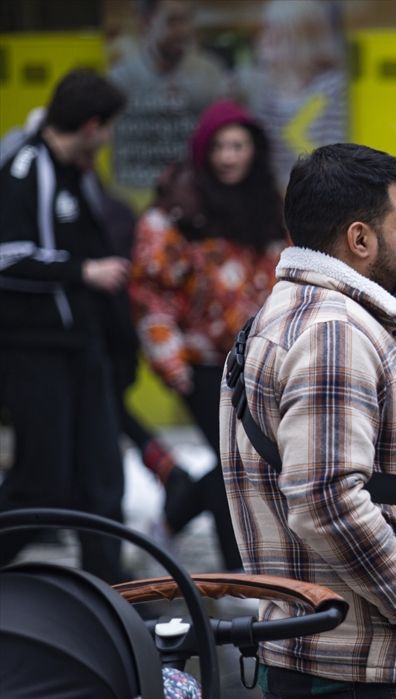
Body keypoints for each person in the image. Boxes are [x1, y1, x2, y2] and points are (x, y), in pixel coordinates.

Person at [219, 142, 396, 699]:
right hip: (365, 671)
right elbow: (325, 497)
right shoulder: (334, 331)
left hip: (329, 664)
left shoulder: (287, 315)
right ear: (359, 238)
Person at [130, 100, 285, 570]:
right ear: (202, 150)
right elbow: (149, 291)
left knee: (246, 458)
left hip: (257, 358)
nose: (228, 157)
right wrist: (168, 357)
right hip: (199, 361)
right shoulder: (177, 210)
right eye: (219, 146)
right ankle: (237, 571)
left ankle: (171, 523)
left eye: (238, 146)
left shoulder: (268, 203)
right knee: (235, 458)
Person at [0, 69, 131, 582]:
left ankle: (117, 598)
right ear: (93, 125)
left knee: (102, 480)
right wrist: (83, 271)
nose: (107, 139)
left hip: (83, 347)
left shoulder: (79, 171)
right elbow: (7, 258)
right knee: (42, 480)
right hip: (34, 350)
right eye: (108, 128)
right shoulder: (25, 167)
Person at [108, 0, 232, 193]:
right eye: (172, 21)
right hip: (135, 194)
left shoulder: (210, 74)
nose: (183, 30)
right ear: (146, 23)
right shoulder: (120, 79)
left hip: (199, 197)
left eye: (187, 20)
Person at [242, 0, 348, 189]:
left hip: (321, 198)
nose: (263, 38)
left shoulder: (333, 88)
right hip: (279, 202)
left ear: (300, 36)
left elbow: (336, 158)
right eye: (264, 29)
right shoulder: (266, 91)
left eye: (274, 30)